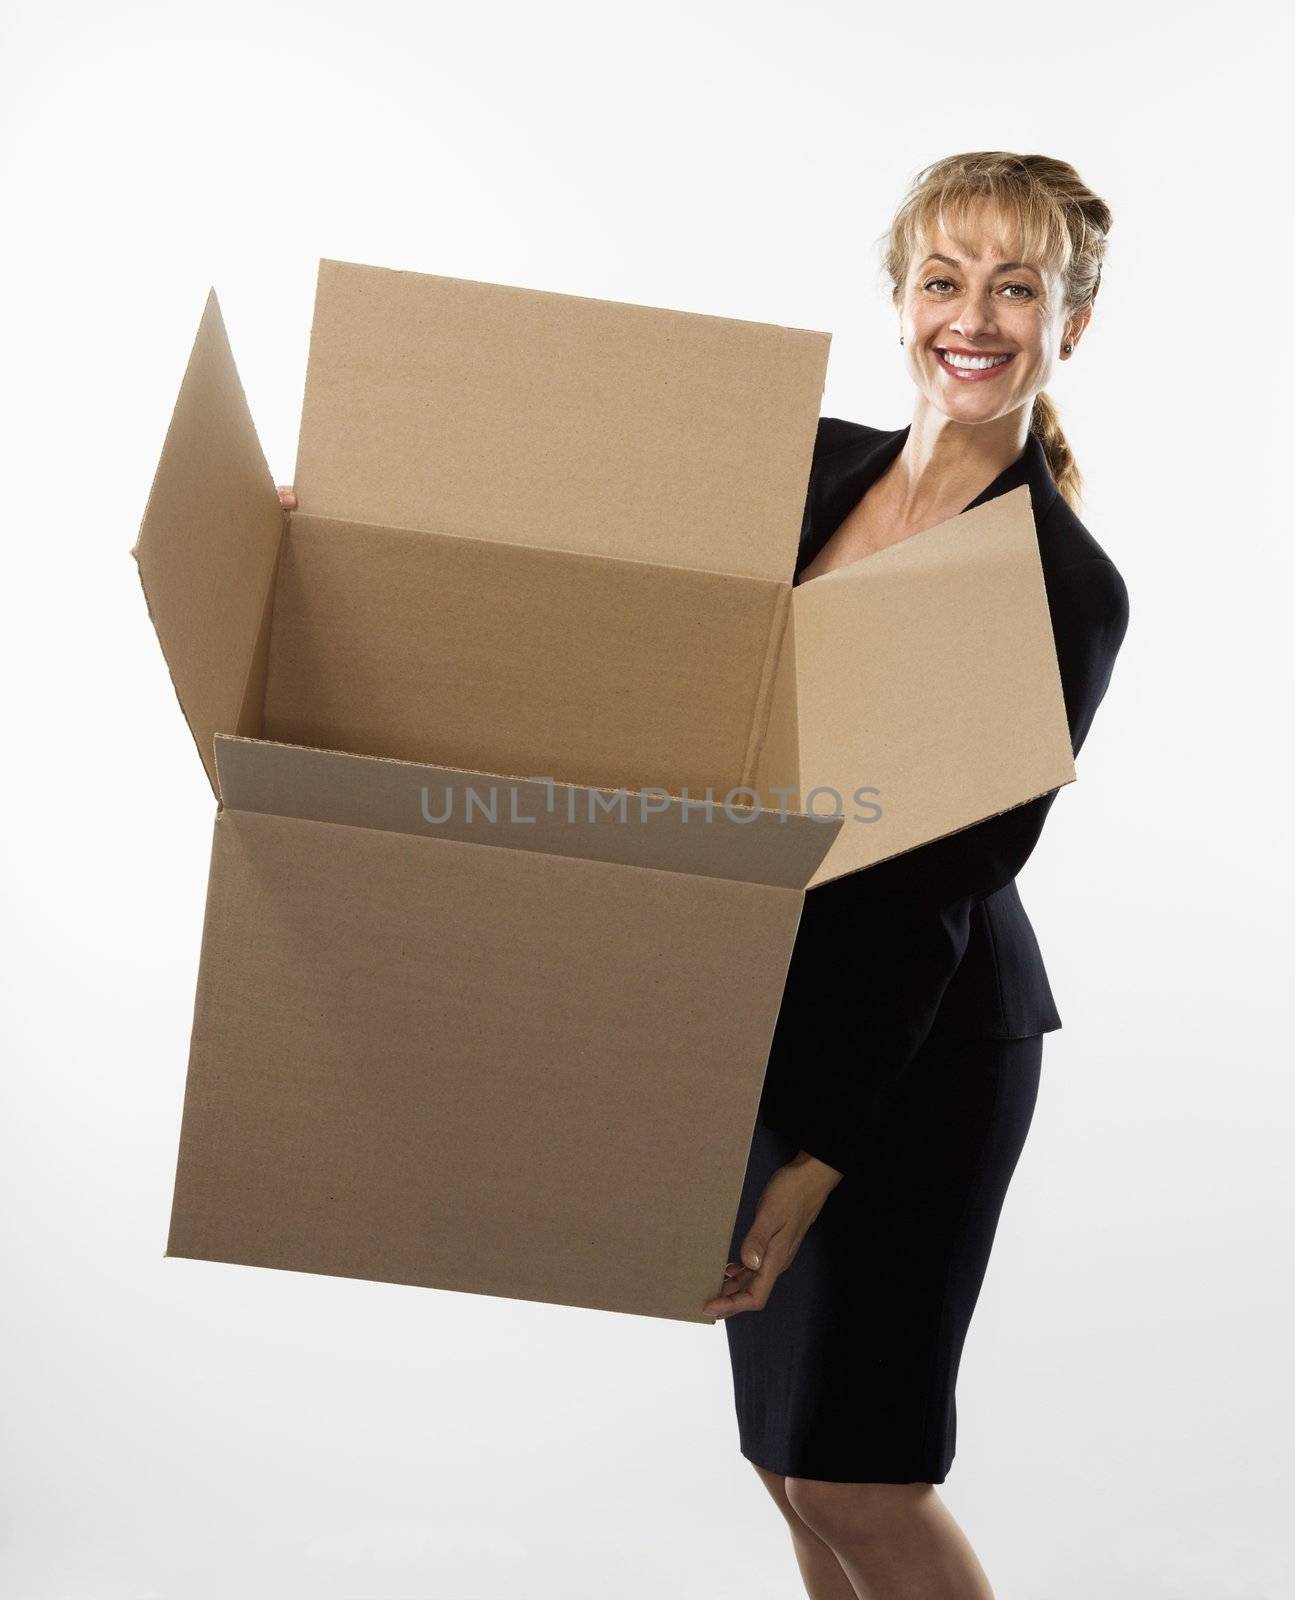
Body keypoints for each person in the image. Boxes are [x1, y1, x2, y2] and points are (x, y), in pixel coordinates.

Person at [700, 152, 1131, 1599]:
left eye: (1020, 287)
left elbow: (932, 887)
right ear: (900, 300)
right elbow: (614, 565)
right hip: (771, 1010)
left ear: (1069, 324)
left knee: (856, 1472)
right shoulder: (806, 465)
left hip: (921, 1047)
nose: (977, 315)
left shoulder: (1058, 582)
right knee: (786, 1461)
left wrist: (818, 1155)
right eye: (946, 279)